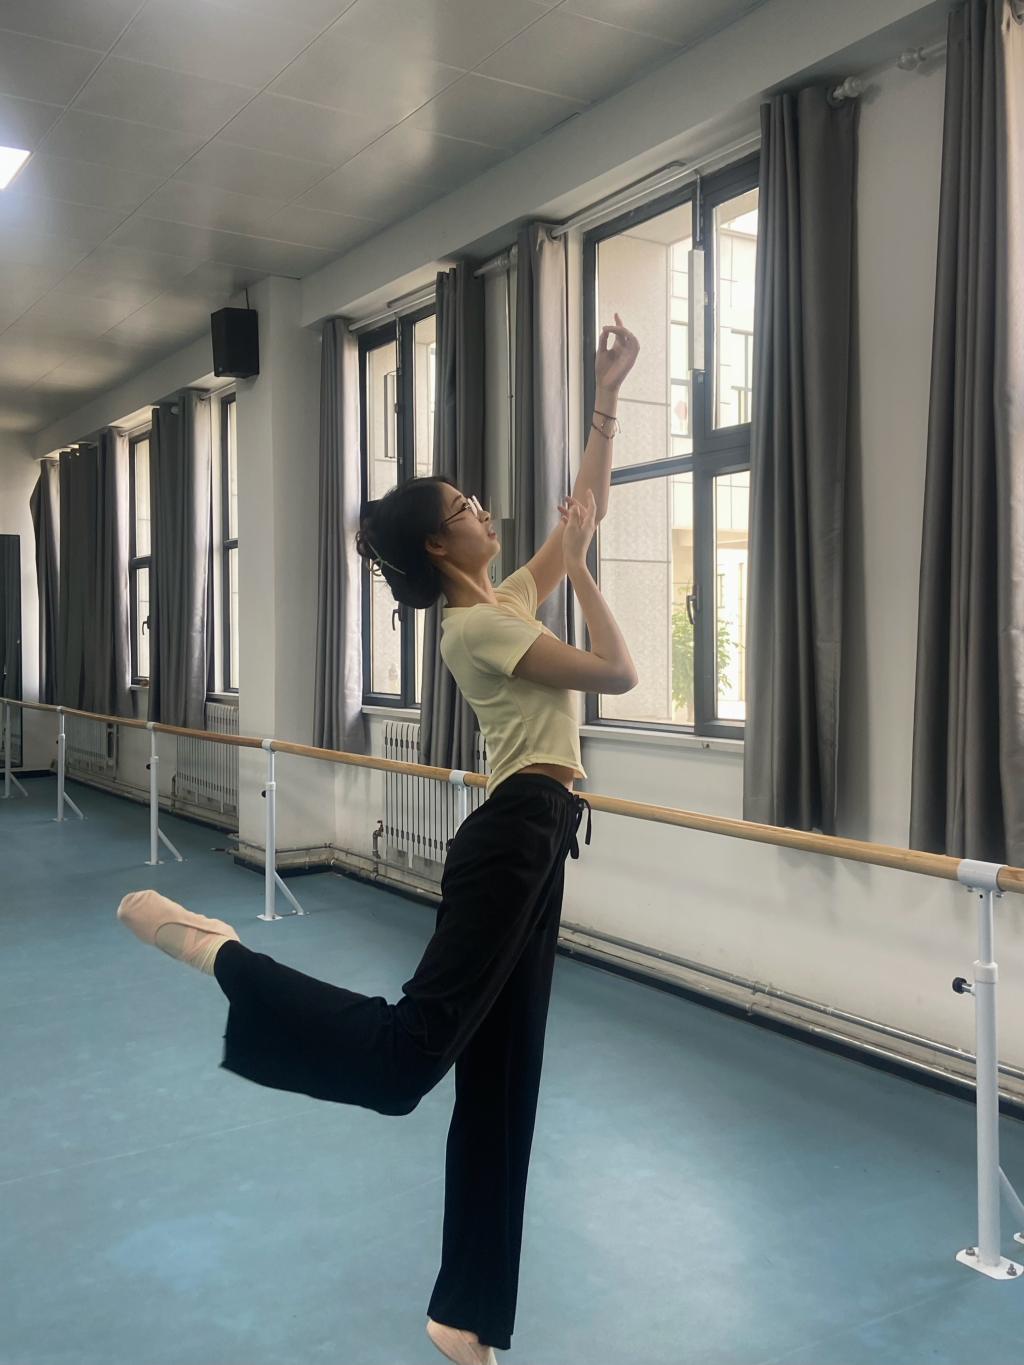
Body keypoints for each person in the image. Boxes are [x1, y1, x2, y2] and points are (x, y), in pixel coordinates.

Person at [117, 317, 640, 1363]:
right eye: (464, 508)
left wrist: (605, 399)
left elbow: (580, 516)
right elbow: (618, 673)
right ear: (442, 545)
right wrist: (584, 577)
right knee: (407, 1063)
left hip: (541, 835)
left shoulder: (498, 600)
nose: (482, 509)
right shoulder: (479, 626)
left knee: (503, 1083)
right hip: (512, 837)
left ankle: (463, 1314)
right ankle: (222, 953)